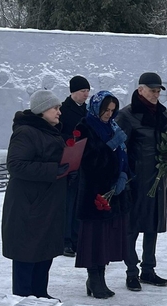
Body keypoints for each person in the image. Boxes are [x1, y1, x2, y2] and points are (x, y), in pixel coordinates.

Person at [1, 90, 69, 298]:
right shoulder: (26, 132)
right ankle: (23, 298)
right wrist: (52, 170)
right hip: (28, 204)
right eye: (55, 108)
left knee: (43, 249)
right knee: (26, 252)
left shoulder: (49, 130)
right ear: (42, 110)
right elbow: (16, 165)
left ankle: (40, 293)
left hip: (46, 202)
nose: (59, 112)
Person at [116, 72, 167, 291]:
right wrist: (124, 177)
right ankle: (131, 272)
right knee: (131, 227)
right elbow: (119, 148)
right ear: (140, 89)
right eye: (152, 90)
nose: (156, 94)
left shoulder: (163, 112)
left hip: (158, 178)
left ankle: (148, 270)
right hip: (136, 179)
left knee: (152, 225)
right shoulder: (126, 115)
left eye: (158, 90)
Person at [74, 91, 131, 299]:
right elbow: (88, 161)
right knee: (94, 238)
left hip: (113, 192)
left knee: (105, 238)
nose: (109, 114)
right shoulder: (84, 127)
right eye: (106, 110)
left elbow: (124, 155)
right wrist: (111, 146)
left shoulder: (112, 126)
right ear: (96, 108)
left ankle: (101, 277)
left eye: (112, 110)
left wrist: (124, 174)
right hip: (94, 192)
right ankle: (93, 278)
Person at [60, 75, 91, 257]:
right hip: (69, 160)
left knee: (80, 200)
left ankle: (77, 237)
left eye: (87, 91)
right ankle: (66, 240)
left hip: (84, 160)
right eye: (82, 91)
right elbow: (57, 133)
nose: (86, 94)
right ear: (73, 92)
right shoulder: (63, 110)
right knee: (69, 201)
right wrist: (71, 140)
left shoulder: (87, 111)